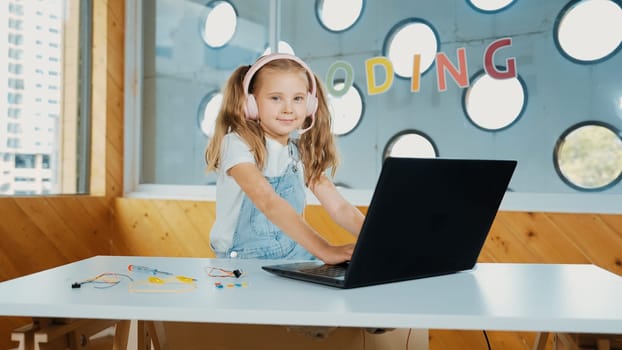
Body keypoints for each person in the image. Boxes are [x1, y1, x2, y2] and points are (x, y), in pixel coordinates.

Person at [205, 53, 364, 265]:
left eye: (298, 99)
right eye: (275, 98)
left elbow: (339, 208)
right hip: (244, 262)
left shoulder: (299, 153)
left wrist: (378, 240)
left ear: (310, 105)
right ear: (251, 103)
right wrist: (325, 250)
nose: (288, 108)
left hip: (296, 258)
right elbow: (268, 201)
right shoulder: (237, 144)